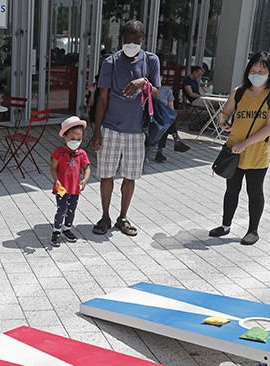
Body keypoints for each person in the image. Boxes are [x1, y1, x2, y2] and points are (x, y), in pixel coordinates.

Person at [90, 20, 160, 237]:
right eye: (128, 41)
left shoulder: (151, 61)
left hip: (136, 131)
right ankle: (104, 216)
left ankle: (123, 217)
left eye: (135, 41)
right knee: (106, 175)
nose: (131, 44)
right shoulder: (110, 62)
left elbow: (157, 93)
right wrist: (97, 131)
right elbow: (102, 99)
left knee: (130, 177)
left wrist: (143, 83)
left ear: (141, 40)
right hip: (110, 128)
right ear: (122, 40)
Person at [209, 51, 270, 247]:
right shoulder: (239, 91)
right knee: (231, 190)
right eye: (253, 69)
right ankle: (225, 225)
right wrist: (223, 121)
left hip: (257, 153)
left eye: (262, 70)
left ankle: (253, 230)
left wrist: (245, 144)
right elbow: (226, 112)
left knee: (255, 192)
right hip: (233, 150)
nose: (257, 73)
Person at [50, 116, 91, 247]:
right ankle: (56, 231)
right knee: (62, 209)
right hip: (62, 188)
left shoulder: (81, 153)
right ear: (65, 137)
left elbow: (87, 167)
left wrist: (85, 179)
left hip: (75, 189)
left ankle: (67, 229)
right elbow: (53, 168)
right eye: (72, 139)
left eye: (79, 139)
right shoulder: (59, 152)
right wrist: (56, 180)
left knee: (71, 209)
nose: (76, 142)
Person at [150, 84, 190, 163]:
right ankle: (176, 139)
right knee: (165, 122)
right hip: (151, 116)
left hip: (162, 117)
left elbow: (171, 108)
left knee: (167, 121)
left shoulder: (167, 90)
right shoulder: (148, 89)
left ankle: (160, 151)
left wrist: (171, 117)